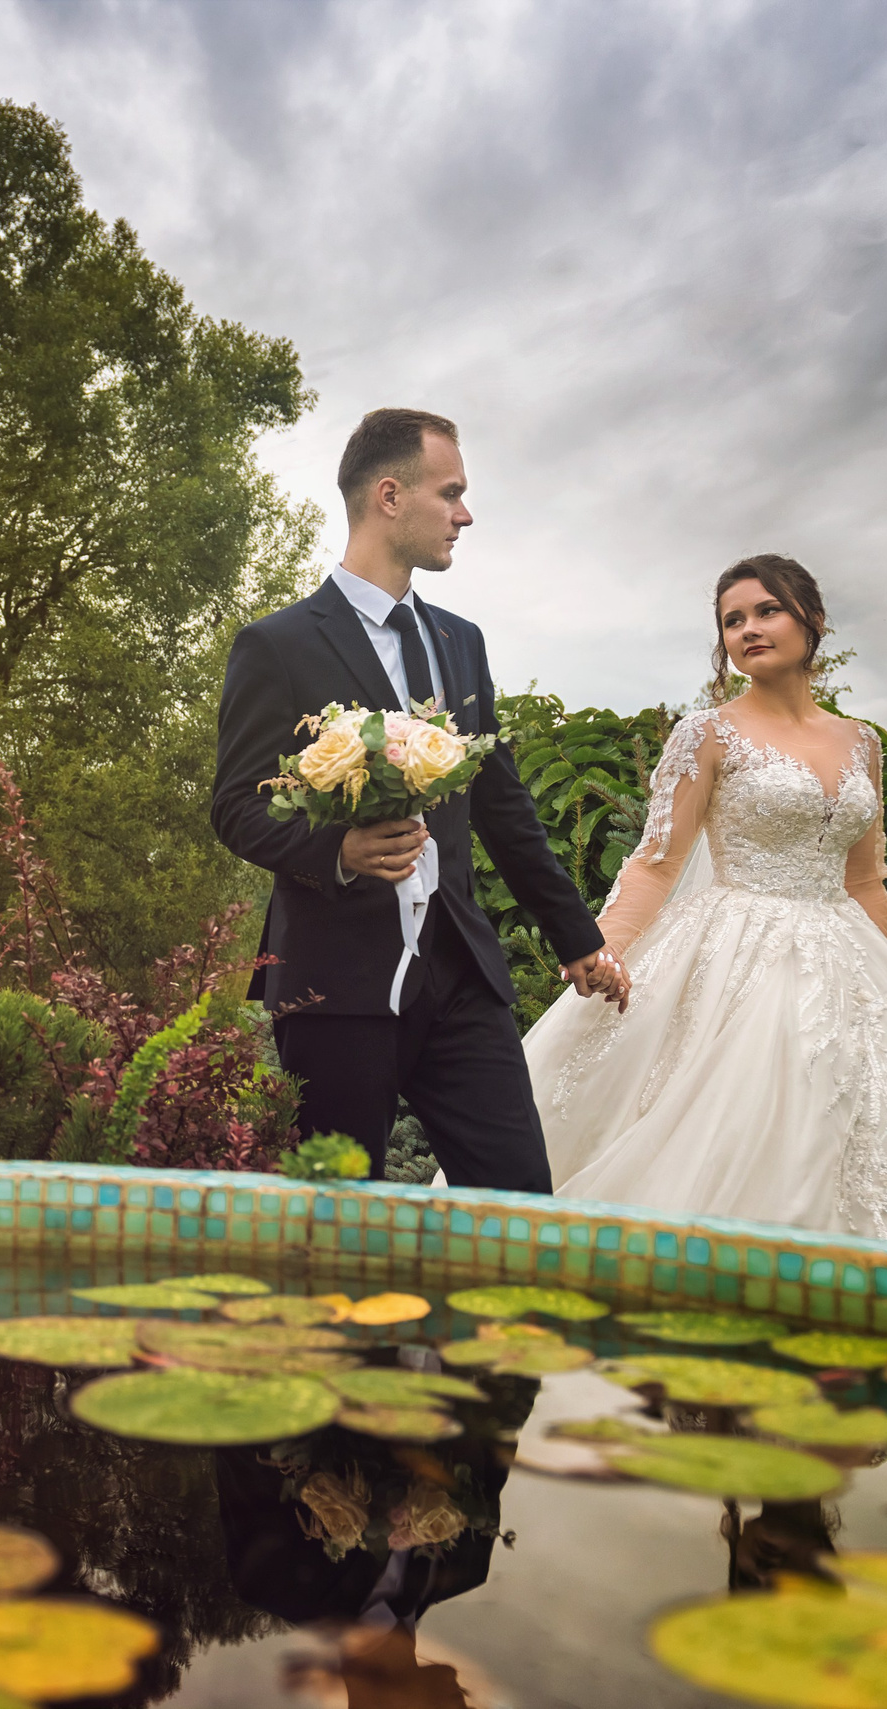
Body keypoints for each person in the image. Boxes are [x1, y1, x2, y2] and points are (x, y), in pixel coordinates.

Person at [527, 555, 887, 1254]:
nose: (748, 629)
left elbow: (864, 879)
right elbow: (657, 860)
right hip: (734, 950)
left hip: (848, 955)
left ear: (811, 619)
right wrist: (602, 943)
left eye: (766, 611)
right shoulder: (708, 733)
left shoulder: (862, 743)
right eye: (732, 620)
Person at [211, 407, 627, 1192]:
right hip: (335, 986)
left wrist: (578, 937)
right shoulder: (278, 645)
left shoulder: (460, 642)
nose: (465, 514)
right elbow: (235, 805)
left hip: (461, 979)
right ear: (391, 496)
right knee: (338, 1226)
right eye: (452, 492)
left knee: (519, 1208)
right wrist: (337, 852)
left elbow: (502, 806)